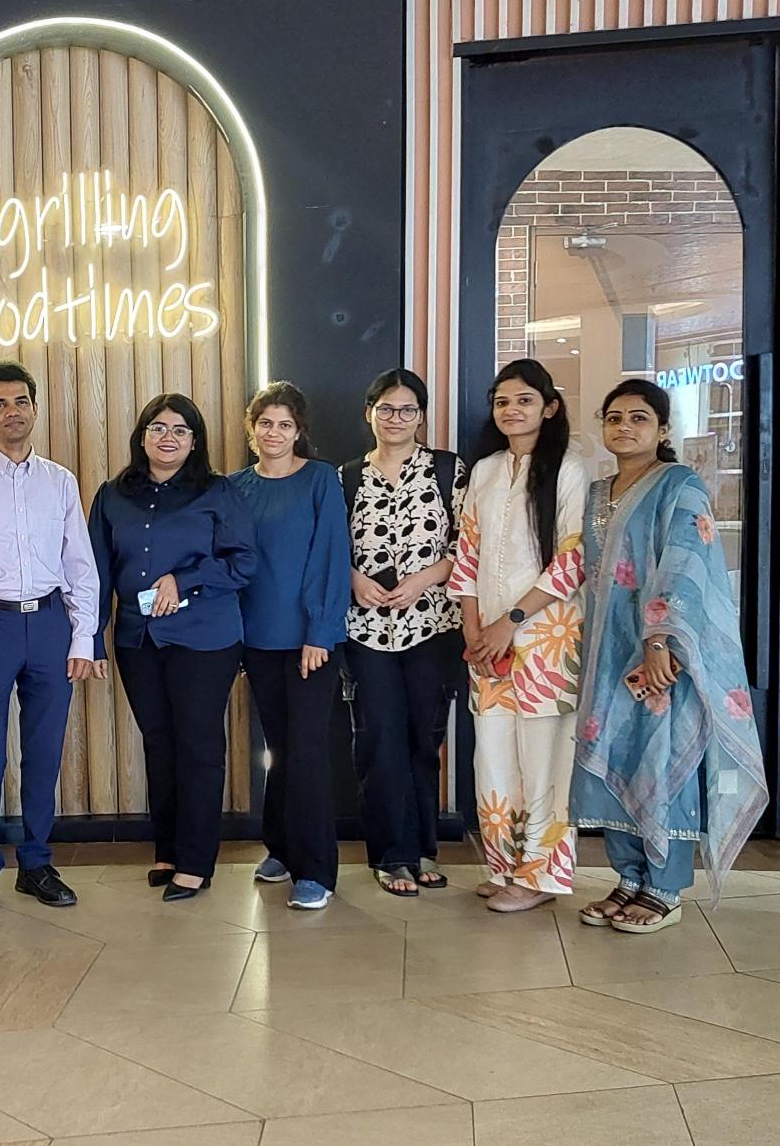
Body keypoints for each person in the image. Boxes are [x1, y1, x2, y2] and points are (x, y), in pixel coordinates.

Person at [572, 379, 767, 931]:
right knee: (618, 750)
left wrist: (659, 641)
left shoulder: (680, 484)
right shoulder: (597, 492)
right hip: (608, 650)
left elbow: (685, 562)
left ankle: (665, 886)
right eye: (614, 418)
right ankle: (628, 876)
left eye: (639, 418)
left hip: (663, 652)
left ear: (662, 429)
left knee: (662, 756)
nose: (624, 427)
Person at [0, 361, 101, 918]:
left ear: (35, 408)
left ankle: (35, 863)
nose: (12, 412)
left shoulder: (60, 482)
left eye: (21, 401)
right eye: (0, 404)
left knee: (44, 750)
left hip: (52, 625)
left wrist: (83, 639)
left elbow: (80, 566)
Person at [89, 393, 256, 902]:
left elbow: (244, 562)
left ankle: (197, 862)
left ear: (195, 441)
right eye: (158, 428)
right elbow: (95, 574)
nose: (169, 437)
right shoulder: (112, 495)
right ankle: (167, 850)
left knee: (198, 744)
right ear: (141, 436)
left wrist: (184, 579)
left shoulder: (217, 492)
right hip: (137, 639)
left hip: (205, 637)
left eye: (181, 430)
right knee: (158, 743)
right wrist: (93, 639)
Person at [451, 358, 588, 913]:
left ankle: (539, 875)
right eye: (502, 401)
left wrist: (510, 622)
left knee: (544, 759)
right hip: (486, 641)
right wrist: (473, 628)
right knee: (492, 757)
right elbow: (466, 553)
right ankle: (504, 866)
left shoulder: (570, 468)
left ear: (549, 407)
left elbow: (572, 559)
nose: (512, 410)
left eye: (525, 400)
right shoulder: (484, 471)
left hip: (548, 638)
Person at [341, 369, 468, 896]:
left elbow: (468, 545)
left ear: (421, 416)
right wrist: (354, 579)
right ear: (369, 413)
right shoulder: (346, 477)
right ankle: (390, 855)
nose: (396, 418)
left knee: (423, 739)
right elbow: (330, 547)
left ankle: (422, 849)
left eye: (407, 409)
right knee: (378, 740)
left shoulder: (448, 470)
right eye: (386, 409)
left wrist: (423, 578)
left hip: (432, 626)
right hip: (366, 630)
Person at [229, 383, 348, 909]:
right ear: (251, 429)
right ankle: (280, 847)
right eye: (265, 423)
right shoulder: (234, 487)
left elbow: (331, 554)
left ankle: (315, 869)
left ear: (299, 431)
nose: (273, 432)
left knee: (307, 753)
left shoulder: (320, 480)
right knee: (277, 748)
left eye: (284, 424)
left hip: (310, 641)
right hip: (256, 640)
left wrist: (319, 631)